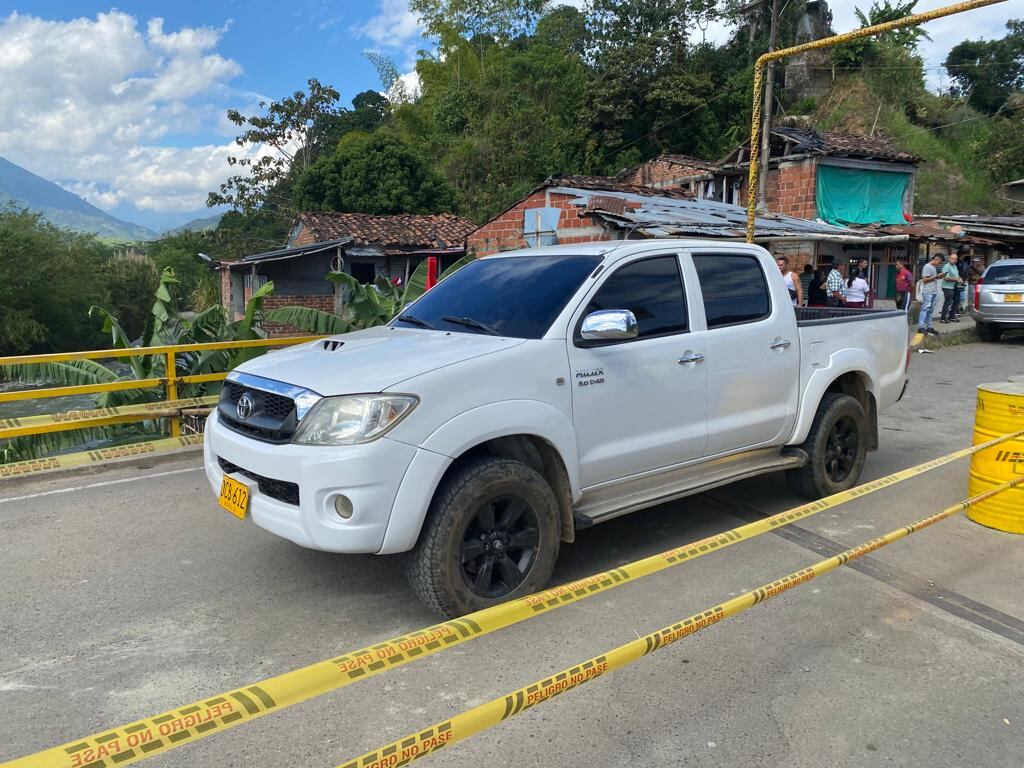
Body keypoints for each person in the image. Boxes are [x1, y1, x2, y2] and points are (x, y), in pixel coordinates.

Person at [918, 253, 943, 335]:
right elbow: (925, 280)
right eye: (939, 262)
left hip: (933, 291)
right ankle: (921, 327)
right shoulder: (927, 266)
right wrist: (936, 277)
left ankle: (929, 327)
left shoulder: (933, 267)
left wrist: (938, 277)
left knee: (930, 310)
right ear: (936, 259)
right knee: (925, 309)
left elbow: (931, 278)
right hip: (928, 291)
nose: (939, 264)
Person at [939, 252, 963, 324]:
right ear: (949, 259)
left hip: (954, 286)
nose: (954, 260)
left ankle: (952, 316)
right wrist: (956, 279)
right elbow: (946, 278)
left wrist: (960, 278)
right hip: (947, 287)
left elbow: (957, 275)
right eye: (952, 259)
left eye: (955, 259)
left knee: (957, 301)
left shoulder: (955, 266)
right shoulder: (947, 266)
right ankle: (943, 318)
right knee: (948, 302)